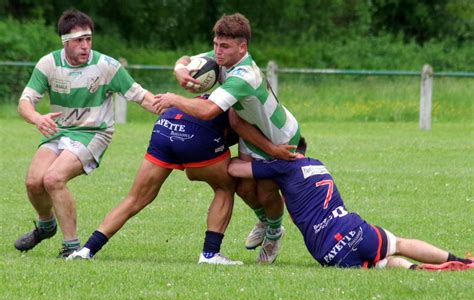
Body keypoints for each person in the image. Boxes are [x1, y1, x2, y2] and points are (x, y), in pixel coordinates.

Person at [67, 95, 294, 264]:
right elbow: (201, 170)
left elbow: (192, 171)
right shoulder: (251, 113)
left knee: (135, 198)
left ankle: (87, 250)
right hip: (198, 134)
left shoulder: (218, 91)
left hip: (165, 125)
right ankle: (210, 254)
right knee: (225, 187)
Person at [154, 13, 301, 264]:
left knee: (266, 192)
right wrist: (180, 71)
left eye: (224, 46)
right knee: (241, 185)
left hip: (278, 135)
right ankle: (266, 221)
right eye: (215, 44)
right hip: (248, 131)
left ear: (242, 47)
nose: (217, 51)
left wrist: (174, 99)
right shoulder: (222, 59)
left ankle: (275, 232)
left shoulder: (245, 75)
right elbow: (185, 59)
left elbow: (209, 110)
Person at [14, 9, 158, 258]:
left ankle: (71, 246)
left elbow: (141, 96)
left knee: (53, 179)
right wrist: (37, 118)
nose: (85, 46)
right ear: (65, 42)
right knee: (33, 182)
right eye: (78, 40)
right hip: (59, 131)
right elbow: (25, 102)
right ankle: (46, 226)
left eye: (88, 39)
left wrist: (176, 111)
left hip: (94, 132)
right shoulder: (49, 64)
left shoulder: (106, 66)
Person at [227, 138, 474, 270]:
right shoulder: (318, 164)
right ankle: (461, 262)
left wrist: (251, 148)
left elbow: (235, 168)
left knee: (383, 265)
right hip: (354, 229)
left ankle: (415, 271)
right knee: (398, 243)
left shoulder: (282, 166)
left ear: (287, 149)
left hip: (326, 251)